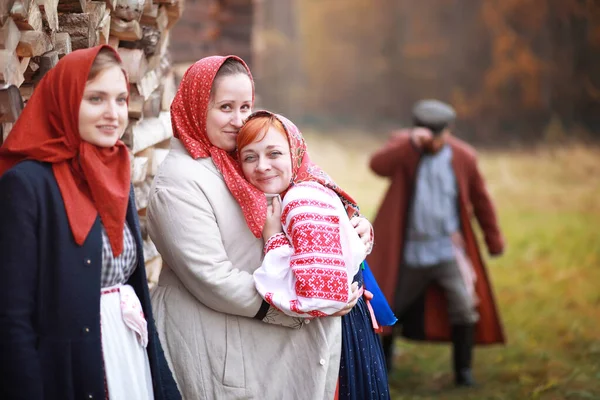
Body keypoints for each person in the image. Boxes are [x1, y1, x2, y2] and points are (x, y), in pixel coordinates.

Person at [146, 55, 373, 399]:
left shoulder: (243, 157)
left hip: (257, 335)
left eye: (245, 106)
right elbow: (213, 278)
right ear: (196, 104)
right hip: (216, 339)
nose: (239, 120)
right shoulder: (178, 181)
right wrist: (302, 305)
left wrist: (352, 229)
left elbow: (302, 200)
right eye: (225, 107)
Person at [0, 45, 180, 399]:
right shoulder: (27, 186)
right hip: (72, 372)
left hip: (128, 357)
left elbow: (137, 292)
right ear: (66, 101)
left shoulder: (116, 175)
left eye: (119, 99)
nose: (113, 113)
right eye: (95, 99)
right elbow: (11, 318)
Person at [236, 110, 392, 399]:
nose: (262, 166)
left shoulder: (301, 199)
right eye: (249, 157)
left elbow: (315, 297)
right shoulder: (294, 189)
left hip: (337, 332)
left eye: (274, 153)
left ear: (294, 152)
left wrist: (273, 240)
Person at [367, 99, 506, 387]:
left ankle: (463, 372)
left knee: (464, 306)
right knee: (390, 306)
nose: (432, 141)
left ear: (448, 131)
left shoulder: (463, 157)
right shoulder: (404, 149)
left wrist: (494, 240)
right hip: (410, 252)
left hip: (447, 251)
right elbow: (377, 165)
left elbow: (481, 201)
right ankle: (385, 365)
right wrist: (411, 145)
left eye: (436, 135)